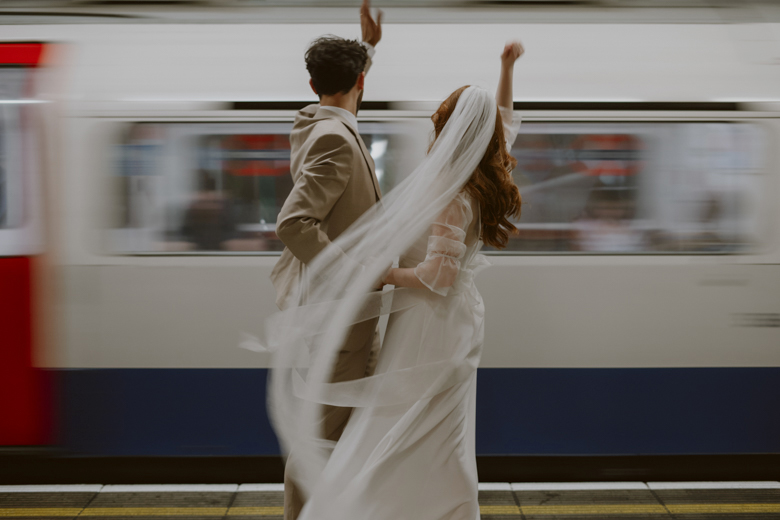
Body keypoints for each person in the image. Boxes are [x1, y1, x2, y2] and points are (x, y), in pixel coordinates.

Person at [266, 40, 525, 520]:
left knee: (402, 421)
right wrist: (507, 69)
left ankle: (379, 503)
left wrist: (380, 272)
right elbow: (502, 124)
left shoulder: (451, 189)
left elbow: (438, 277)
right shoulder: (479, 172)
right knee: (420, 423)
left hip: (429, 318)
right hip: (443, 319)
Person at [268, 2, 383, 519]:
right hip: (341, 310)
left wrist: (370, 51)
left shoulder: (315, 121)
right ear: (360, 81)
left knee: (334, 426)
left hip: (335, 311)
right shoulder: (336, 139)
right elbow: (294, 224)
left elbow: (346, 94)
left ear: (312, 84)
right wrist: (358, 274)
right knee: (320, 432)